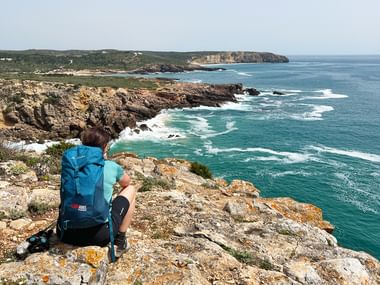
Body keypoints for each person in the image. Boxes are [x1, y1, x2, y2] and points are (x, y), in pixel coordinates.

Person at [56, 127, 137, 256]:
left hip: (66, 233)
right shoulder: (111, 166)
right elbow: (126, 182)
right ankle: (120, 241)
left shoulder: (71, 165)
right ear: (105, 147)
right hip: (98, 236)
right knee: (131, 189)